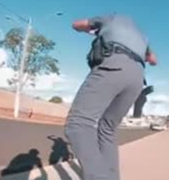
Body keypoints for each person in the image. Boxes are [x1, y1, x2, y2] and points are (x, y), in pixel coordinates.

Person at [64, 13, 157, 180]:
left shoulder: (111, 18)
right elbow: (153, 60)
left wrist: (94, 31)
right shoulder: (143, 36)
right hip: (137, 78)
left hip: (114, 64)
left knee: (78, 123)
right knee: (107, 128)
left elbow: (77, 24)